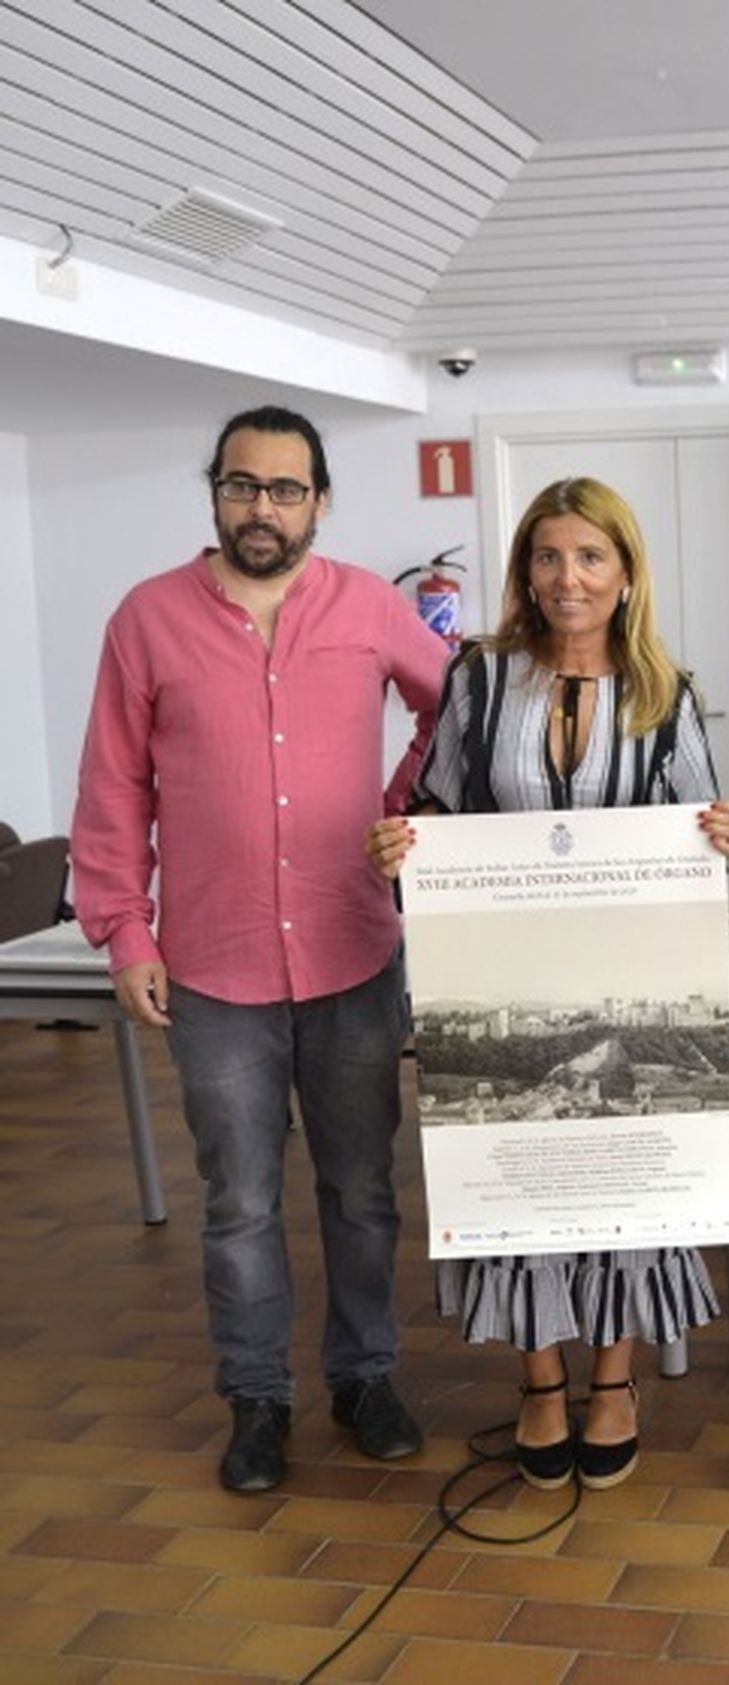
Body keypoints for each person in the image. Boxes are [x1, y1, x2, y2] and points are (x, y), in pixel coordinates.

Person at [71, 405, 450, 1493]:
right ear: (215, 492)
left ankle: (365, 1375)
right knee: (237, 1195)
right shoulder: (147, 619)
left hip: (350, 947)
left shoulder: (370, 608)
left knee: (362, 1187)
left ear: (321, 501)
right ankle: (257, 1398)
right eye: (243, 485)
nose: (263, 507)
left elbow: (454, 711)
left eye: (286, 489)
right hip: (213, 962)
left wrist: (401, 805)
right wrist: (123, 926)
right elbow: (112, 785)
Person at [366, 475, 729, 1492]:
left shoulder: (668, 690)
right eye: (546, 556)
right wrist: (405, 840)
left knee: (622, 1165)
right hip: (506, 977)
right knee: (518, 1173)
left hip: (627, 983)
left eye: (589, 557)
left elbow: (702, 831)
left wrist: (723, 832)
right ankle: (539, 1381)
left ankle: (615, 1377)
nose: (566, 577)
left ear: (626, 575)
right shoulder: (480, 680)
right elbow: (440, 801)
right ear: (524, 573)